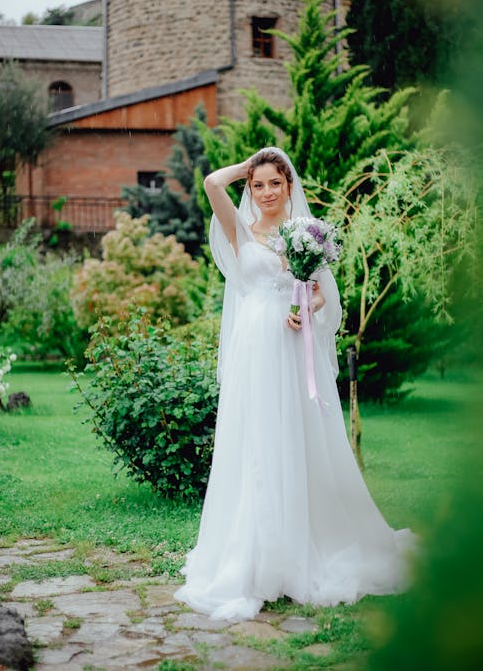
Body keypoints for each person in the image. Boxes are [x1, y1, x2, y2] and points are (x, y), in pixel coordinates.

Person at [174, 147, 415, 622]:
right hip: (252, 353)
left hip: (288, 348)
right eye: (258, 185)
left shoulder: (305, 235)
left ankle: (302, 550)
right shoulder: (238, 229)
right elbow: (210, 185)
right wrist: (252, 165)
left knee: (294, 441)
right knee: (255, 445)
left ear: (289, 186)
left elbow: (324, 294)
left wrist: (306, 311)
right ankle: (254, 558)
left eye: (275, 184)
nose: (266, 193)